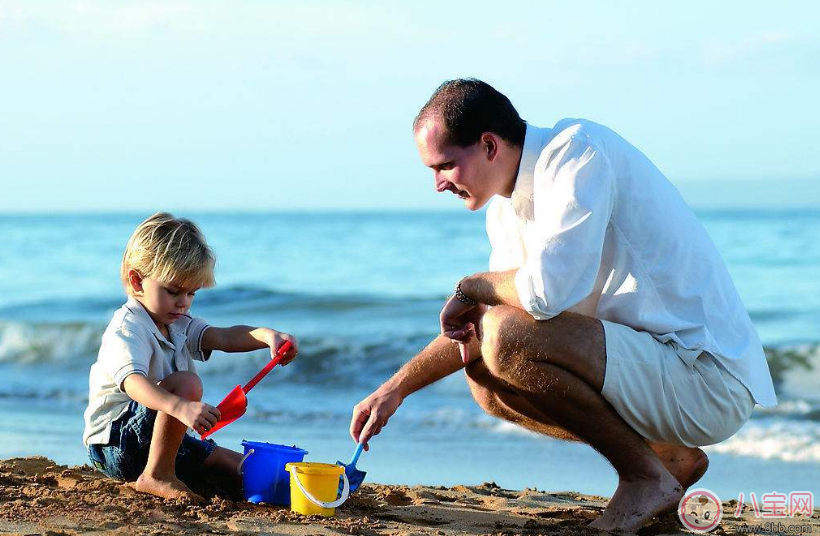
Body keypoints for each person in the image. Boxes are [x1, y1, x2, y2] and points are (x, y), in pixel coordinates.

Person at [349, 79, 777, 532]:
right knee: (484, 378)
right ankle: (663, 459)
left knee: (506, 338)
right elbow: (485, 326)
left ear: (489, 145)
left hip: (704, 379)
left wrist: (472, 286)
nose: (438, 184)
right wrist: (394, 389)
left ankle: (643, 477)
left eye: (446, 166)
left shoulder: (577, 153)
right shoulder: (505, 208)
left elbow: (543, 293)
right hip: (651, 370)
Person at [83, 212, 298, 502]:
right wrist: (180, 407)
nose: (183, 302)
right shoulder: (128, 328)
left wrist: (265, 336)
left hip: (156, 440)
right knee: (187, 382)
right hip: (116, 442)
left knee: (237, 468)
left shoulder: (178, 322)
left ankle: (285, 484)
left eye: (191, 293)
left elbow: (223, 337)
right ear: (137, 281)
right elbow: (133, 383)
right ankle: (156, 475)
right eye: (173, 291)